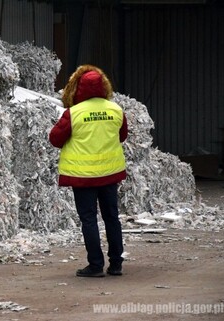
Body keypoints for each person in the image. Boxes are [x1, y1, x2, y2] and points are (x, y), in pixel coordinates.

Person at [49, 64, 128, 277]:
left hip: (83, 177)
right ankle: (116, 264)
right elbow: (122, 136)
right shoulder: (116, 110)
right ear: (104, 87)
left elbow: (55, 139)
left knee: (89, 219)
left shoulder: (74, 113)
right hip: (110, 174)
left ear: (78, 88)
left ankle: (95, 265)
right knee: (112, 217)